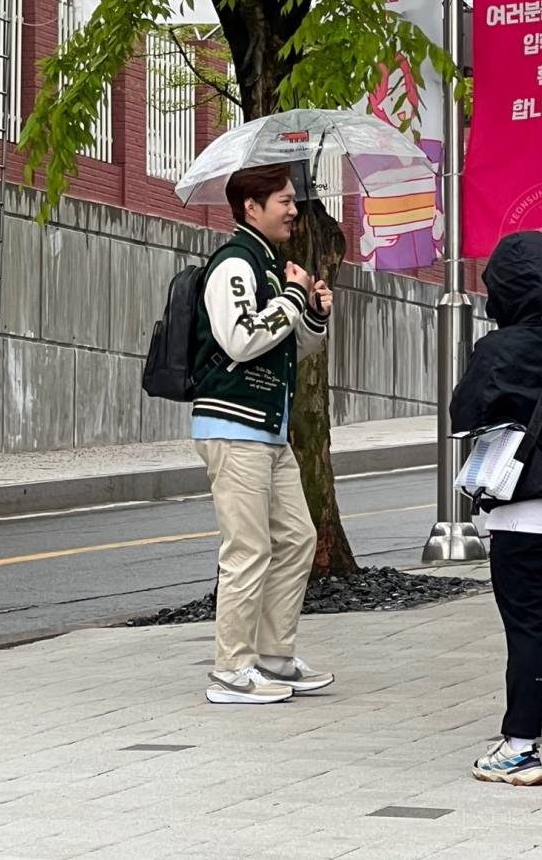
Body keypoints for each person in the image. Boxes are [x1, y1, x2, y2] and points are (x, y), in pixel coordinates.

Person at [191, 163, 335, 705]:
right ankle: (231, 671)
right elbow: (240, 340)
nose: (294, 209)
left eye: (294, 200)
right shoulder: (234, 264)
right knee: (248, 548)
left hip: (267, 431)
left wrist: (312, 313)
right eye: (284, 200)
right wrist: (294, 299)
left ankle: (273, 657)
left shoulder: (272, 269)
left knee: (298, 538)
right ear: (251, 207)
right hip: (233, 425)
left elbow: (290, 349)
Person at [450, 231, 542, 786]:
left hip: (522, 519)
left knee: (528, 632)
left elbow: (462, 413)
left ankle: (521, 748)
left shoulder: (498, 349)